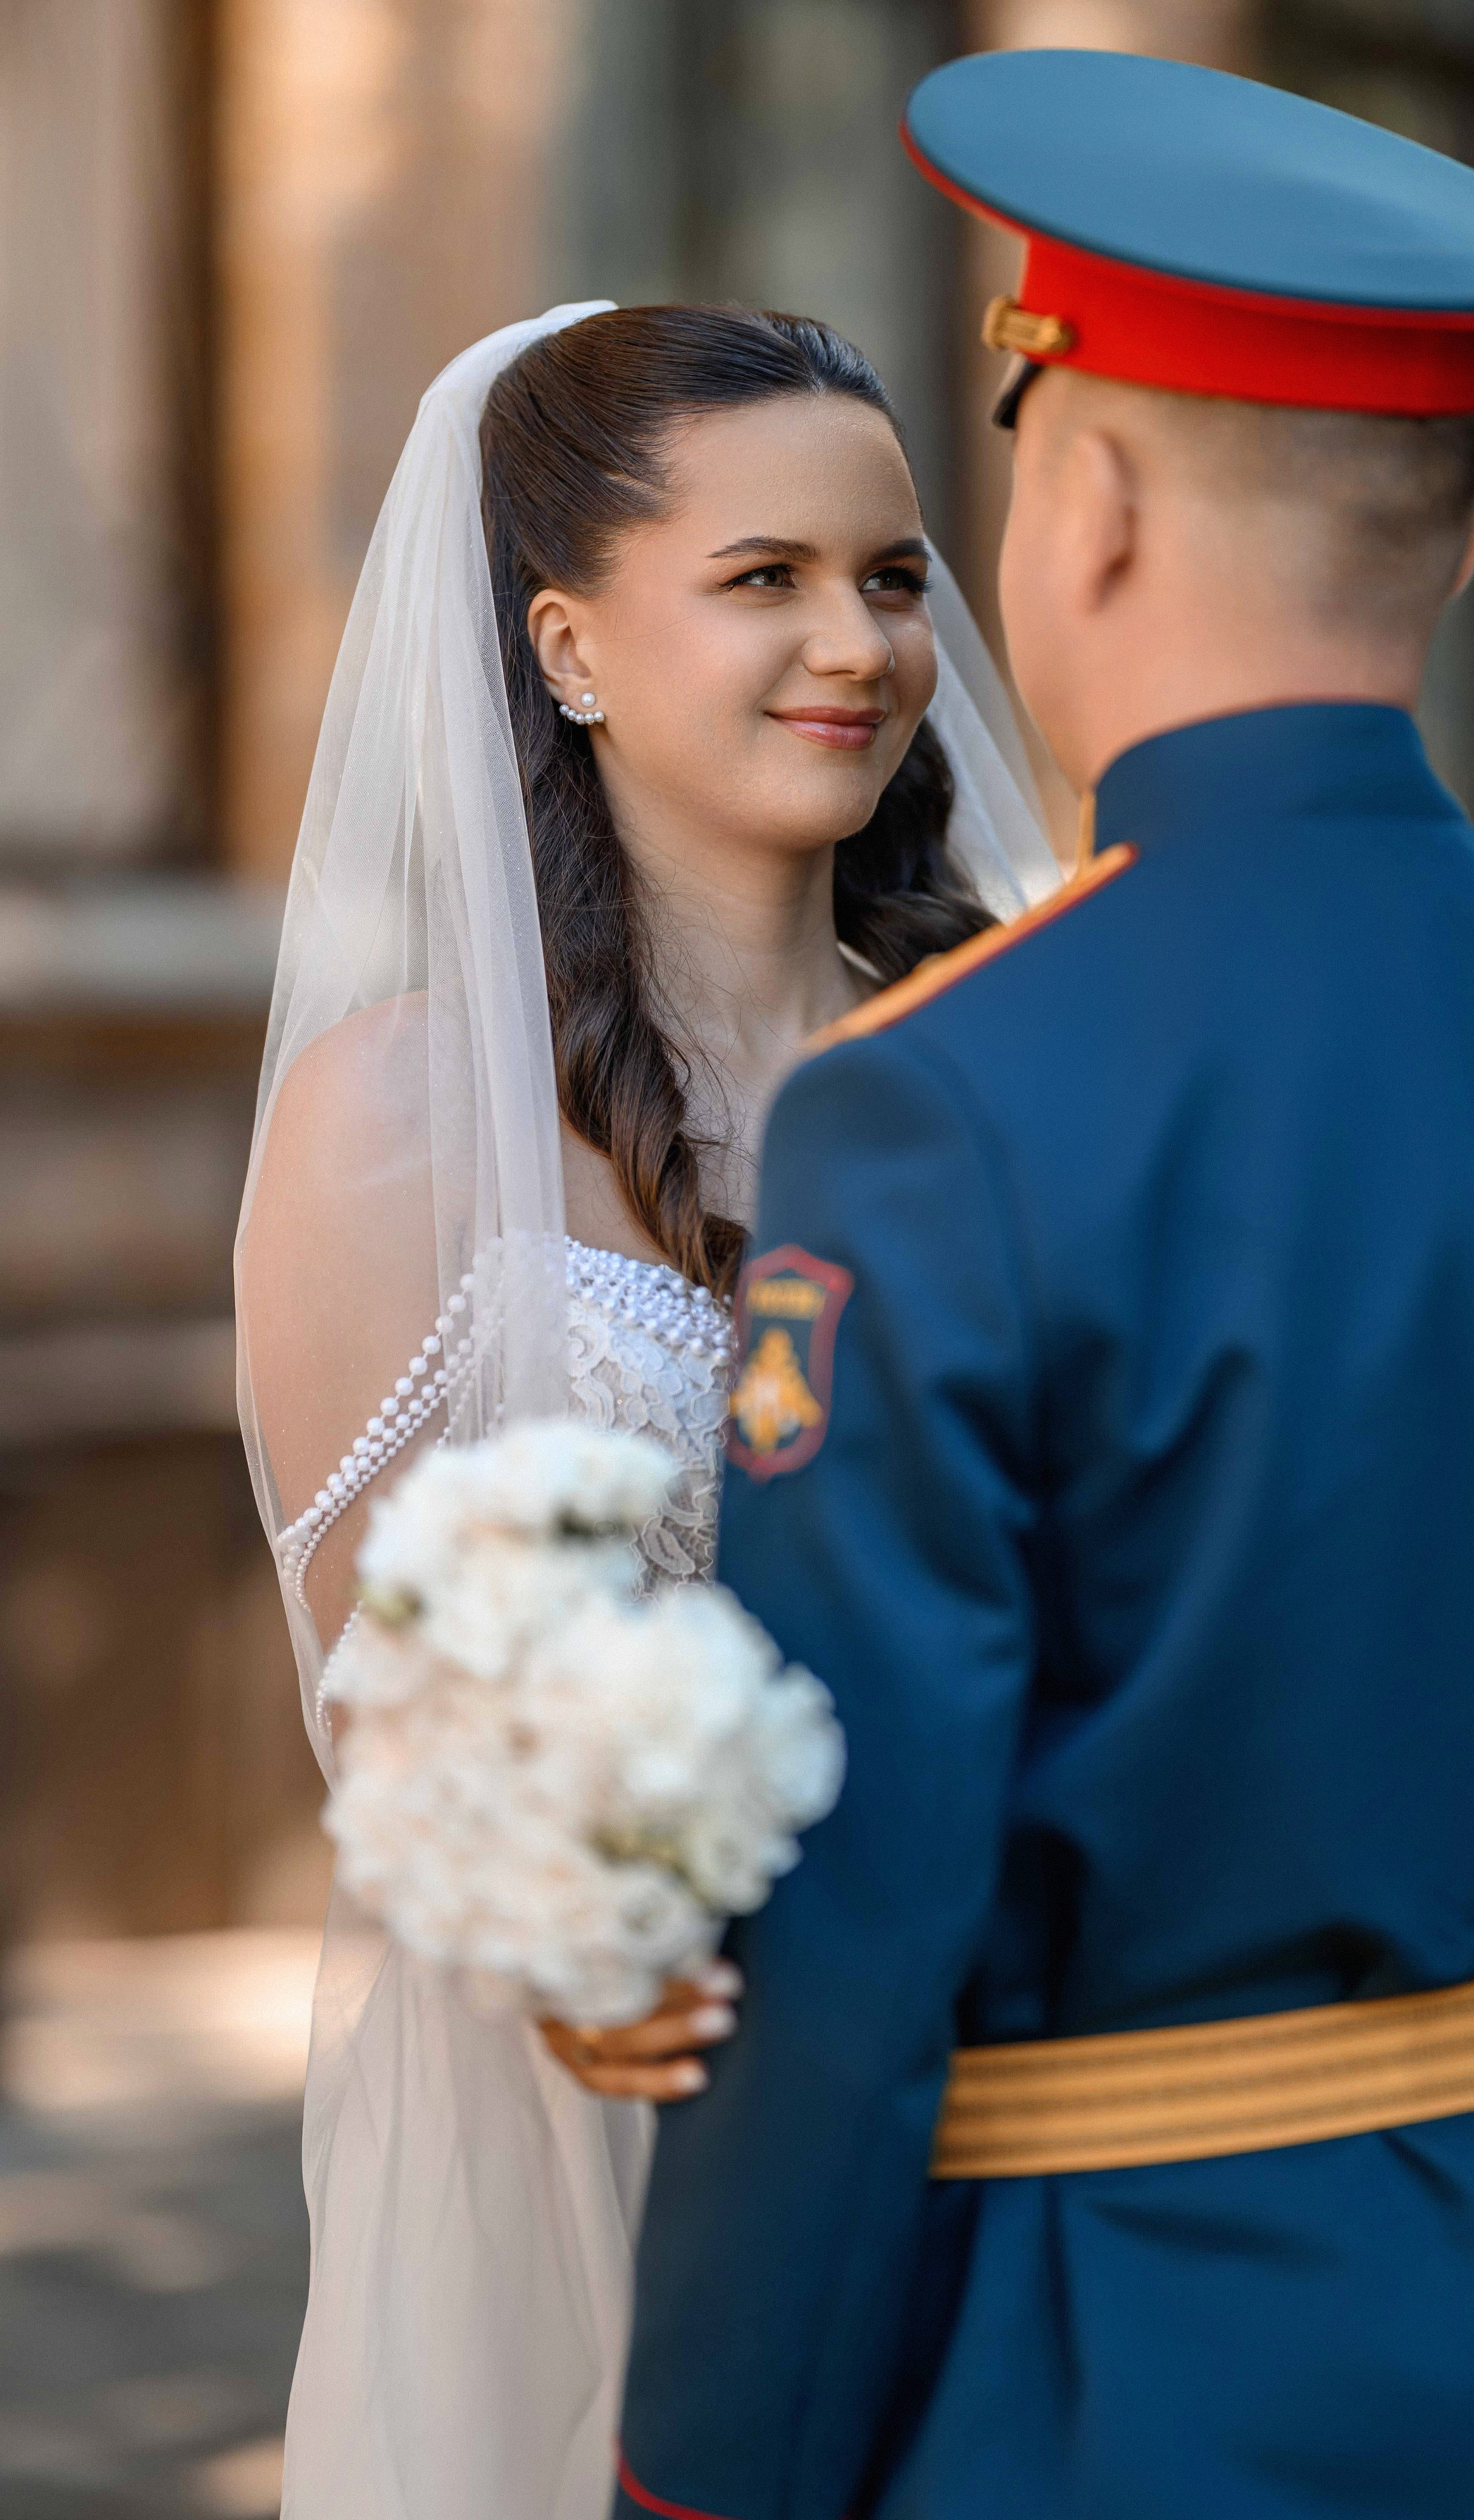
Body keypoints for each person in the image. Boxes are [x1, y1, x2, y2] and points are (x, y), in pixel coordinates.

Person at [616, 53, 1474, 2520]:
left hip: (1123, 2379)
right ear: (1458, 543)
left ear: (1100, 497)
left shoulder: (943, 1107)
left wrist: (707, 2478)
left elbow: (858, 1929)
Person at [233, 298, 1055, 2520]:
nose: (859, 646)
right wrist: (579, 1923)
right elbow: (388, 1702)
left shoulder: (1030, 1053)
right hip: (588, 2105)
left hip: (1019, 2096)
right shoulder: (399, 1120)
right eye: (763, 579)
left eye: (892, 578)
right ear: (570, 645)